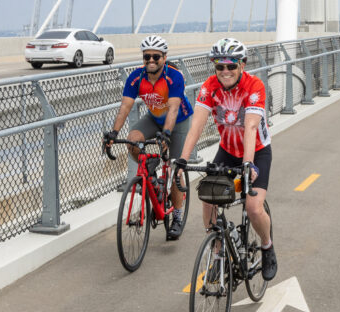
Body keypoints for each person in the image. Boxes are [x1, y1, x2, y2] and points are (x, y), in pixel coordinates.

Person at [174, 38, 277, 281]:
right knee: (208, 198)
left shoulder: (255, 86)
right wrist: (181, 161)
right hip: (228, 151)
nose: (225, 71)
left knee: (253, 207)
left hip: (257, 152)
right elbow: (196, 127)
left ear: (242, 64)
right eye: (219, 67)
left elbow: (251, 128)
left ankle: (267, 245)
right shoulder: (210, 87)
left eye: (231, 66)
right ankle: (218, 254)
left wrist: (248, 164)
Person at [104, 35, 193, 240]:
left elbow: (173, 109)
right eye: (147, 57)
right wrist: (114, 133)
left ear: (164, 57)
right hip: (154, 118)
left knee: (176, 168)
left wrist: (167, 135)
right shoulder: (136, 77)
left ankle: (177, 216)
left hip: (177, 121)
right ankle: (151, 171)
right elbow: (125, 107)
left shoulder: (174, 76)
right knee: (132, 139)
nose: (151, 61)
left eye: (156, 57)